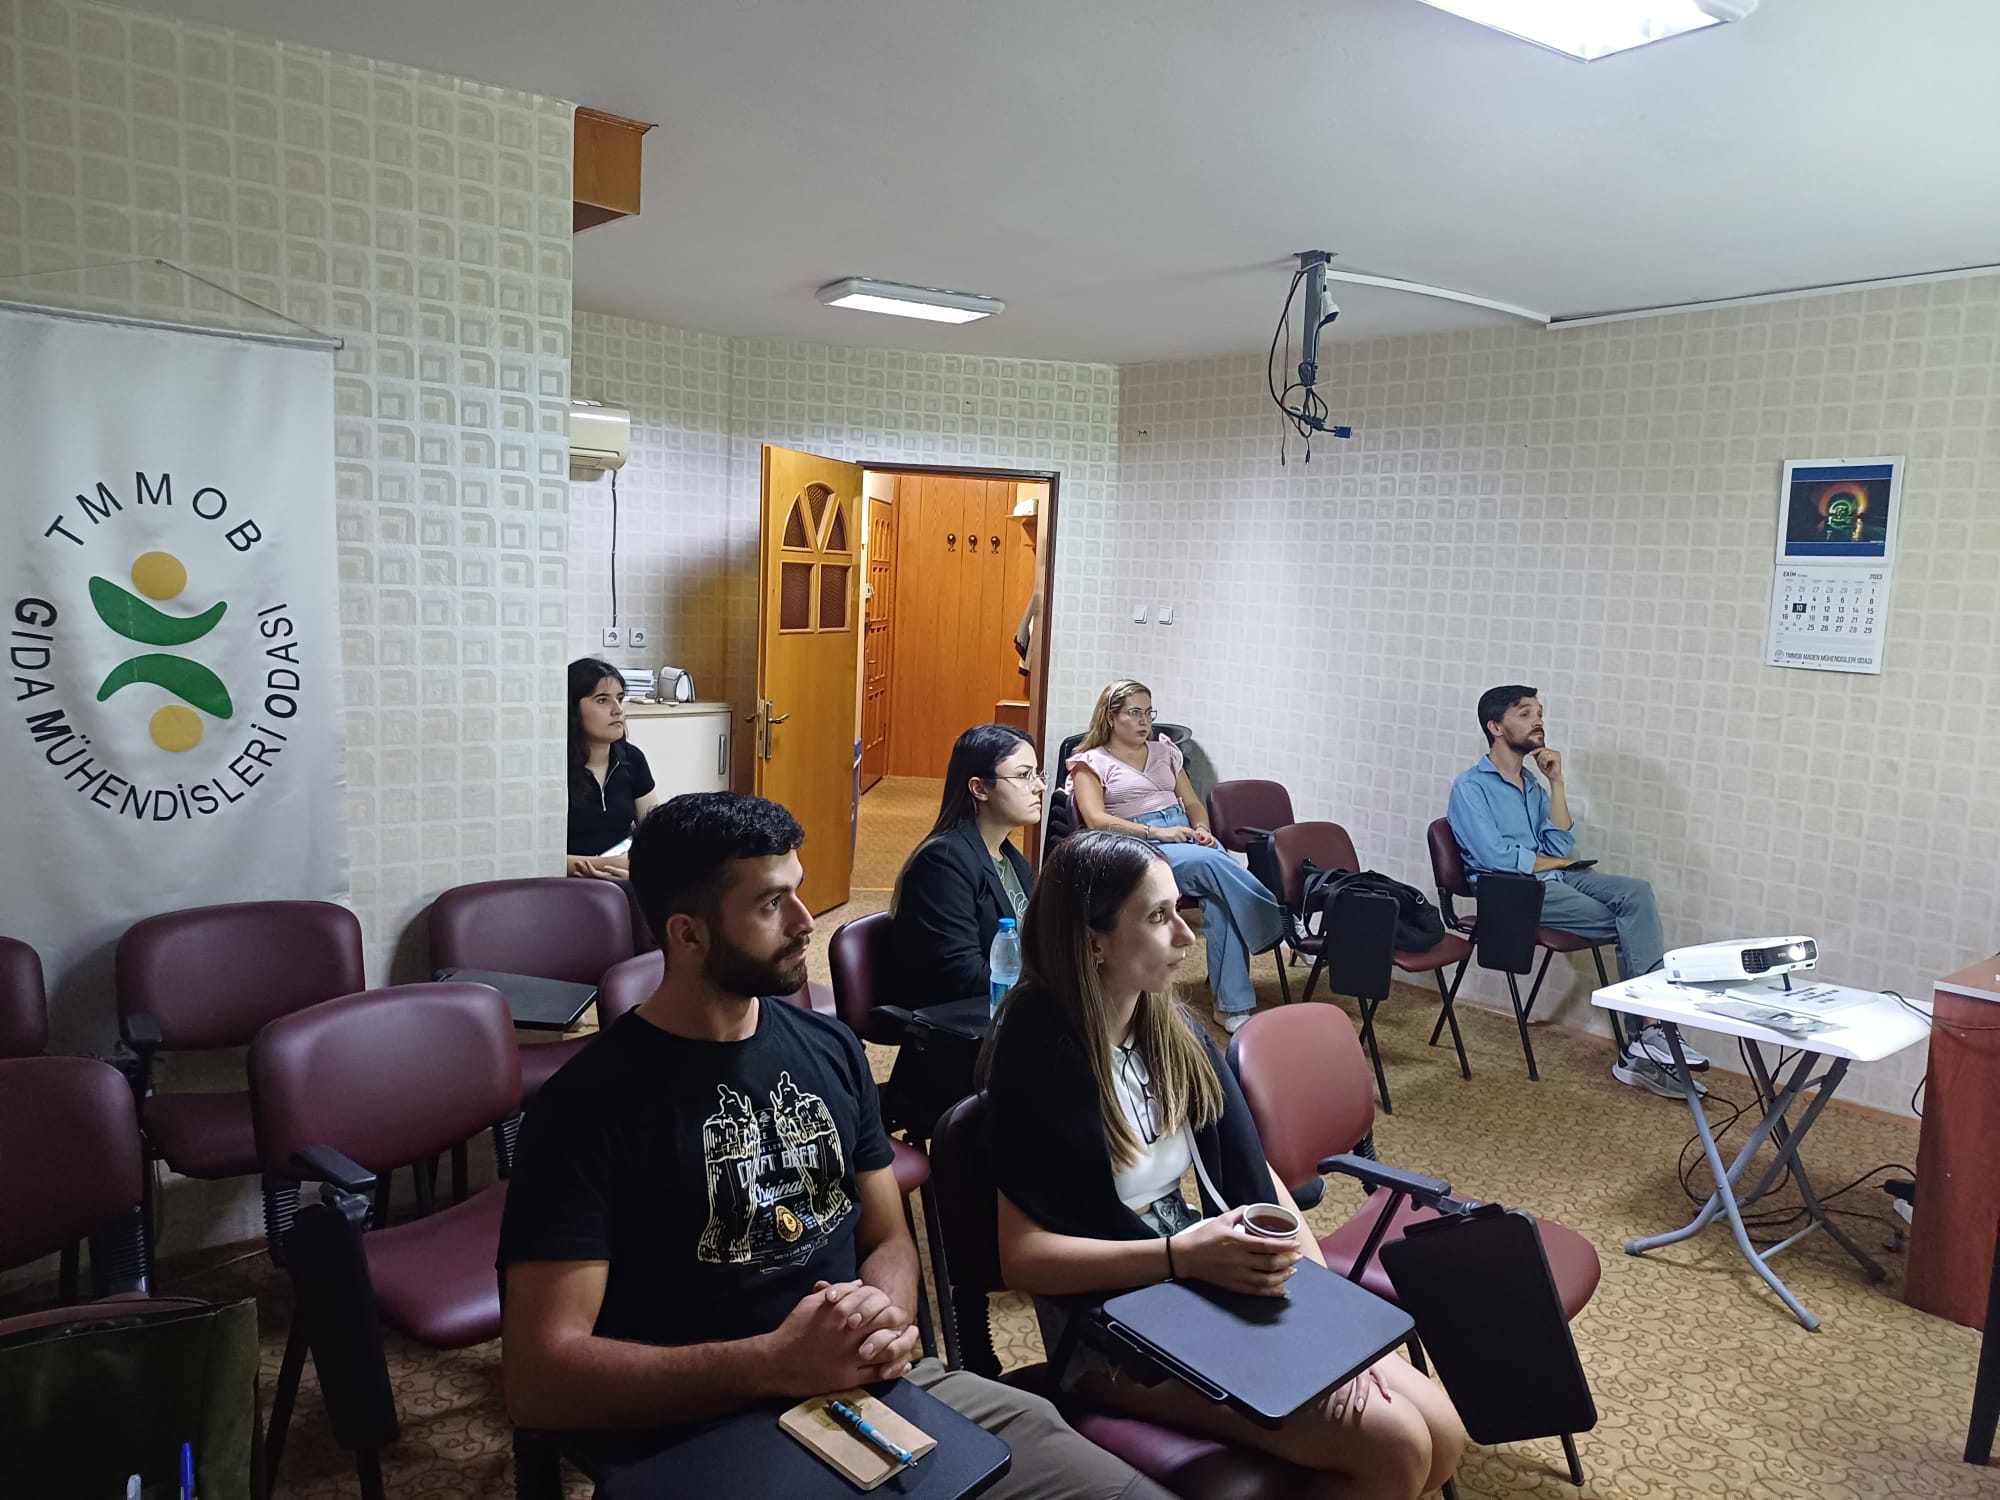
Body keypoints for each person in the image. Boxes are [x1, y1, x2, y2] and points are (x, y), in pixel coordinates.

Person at [497, 792, 1174, 1500]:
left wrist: (885, 1317)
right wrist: (774, 1362)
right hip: (703, 1428)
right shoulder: (586, 1108)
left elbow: (887, 1237)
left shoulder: (830, 1048)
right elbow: (540, 1380)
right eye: (772, 904)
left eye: (797, 891)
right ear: (688, 934)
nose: (804, 922)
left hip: (876, 1386)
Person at [983, 831, 1466, 1500]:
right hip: (1107, 1327)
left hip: (1197, 1280)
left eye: (1179, 909)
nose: (1187, 935)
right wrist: (1180, 1257)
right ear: (1094, 943)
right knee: (1396, 1446)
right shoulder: (1036, 1051)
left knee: (1443, 1430)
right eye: (1159, 917)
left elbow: (1256, 1177)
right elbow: (1023, 1259)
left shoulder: (1164, 1025)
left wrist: (1325, 1317)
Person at [1446, 684, 1710, 1097]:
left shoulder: (1532, 785)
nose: (1538, 720)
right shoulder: (1470, 787)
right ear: (1495, 727)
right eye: (1524, 713)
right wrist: (1553, 864)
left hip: (1553, 877)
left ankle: (1648, 1037)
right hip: (1510, 892)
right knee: (1629, 924)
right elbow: (1496, 858)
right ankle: (1647, 1038)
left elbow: (1558, 846)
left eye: (1539, 712)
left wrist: (1556, 783)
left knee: (1637, 895)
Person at [1068, 680, 1282, 1034]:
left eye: (1148, 712)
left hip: (1183, 834)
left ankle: (1232, 1006)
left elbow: (1193, 801)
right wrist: (1157, 833)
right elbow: (1096, 820)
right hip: (1138, 846)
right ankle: (1277, 921)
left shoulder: (1165, 751)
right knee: (1214, 862)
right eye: (1134, 713)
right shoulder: (1090, 762)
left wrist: (1202, 827)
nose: (1144, 721)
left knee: (1221, 900)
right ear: (1110, 717)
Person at [892, 723, 1042, 1007]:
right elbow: (963, 977)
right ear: (979, 788)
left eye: (1037, 774)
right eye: (1024, 775)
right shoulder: (942, 863)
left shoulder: (1011, 859)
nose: (1039, 786)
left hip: (1013, 1009)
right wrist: (1052, 986)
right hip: (962, 1022)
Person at [566, 657, 656, 879]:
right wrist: (606, 865)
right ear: (572, 708)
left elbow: (655, 834)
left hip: (625, 874)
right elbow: (538, 855)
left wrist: (635, 868)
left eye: (620, 699)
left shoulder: (632, 758)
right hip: (570, 882)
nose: (618, 710)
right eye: (602, 700)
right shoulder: (552, 768)